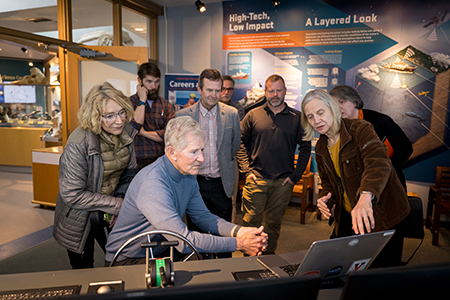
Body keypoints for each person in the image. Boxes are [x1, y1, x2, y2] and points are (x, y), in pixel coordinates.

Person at [104, 116, 268, 264]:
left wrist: (239, 231)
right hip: (127, 259)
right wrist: (240, 244)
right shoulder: (153, 183)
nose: (202, 158)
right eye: (194, 152)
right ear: (172, 152)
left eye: (202, 150)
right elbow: (183, 241)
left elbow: (203, 217)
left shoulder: (187, 173)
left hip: (159, 249)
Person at [301, 89, 410, 268]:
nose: (316, 120)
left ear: (333, 109)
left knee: (381, 273)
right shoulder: (320, 146)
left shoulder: (360, 128)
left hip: (383, 214)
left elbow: (378, 162)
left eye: (320, 113)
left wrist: (366, 195)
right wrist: (325, 197)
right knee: (340, 267)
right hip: (348, 215)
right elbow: (329, 182)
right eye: (310, 116)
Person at [53, 82, 137, 269]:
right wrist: (116, 205)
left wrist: (118, 199)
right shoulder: (78, 143)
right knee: (84, 270)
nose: (119, 120)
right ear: (95, 116)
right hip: (79, 215)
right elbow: (72, 194)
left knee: (122, 261)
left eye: (122, 112)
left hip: (110, 210)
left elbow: (129, 174)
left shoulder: (127, 132)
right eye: (110, 116)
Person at [237, 74, 311, 254]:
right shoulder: (252, 115)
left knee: (273, 224)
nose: (275, 95)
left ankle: (268, 257)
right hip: (256, 179)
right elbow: (239, 144)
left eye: (279, 90)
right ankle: (248, 258)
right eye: (271, 91)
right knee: (250, 224)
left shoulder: (297, 117)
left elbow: (305, 148)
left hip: (283, 183)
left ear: (285, 91)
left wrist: (295, 176)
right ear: (266, 92)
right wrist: (247, 171)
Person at [176, 69, 241, 255]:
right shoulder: (182, 117)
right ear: (199, 89)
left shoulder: (231, 114)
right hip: (194, 183)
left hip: (222, 183)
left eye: (217, 90)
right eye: (209, 90)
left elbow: (235, 146)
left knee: (224, 233)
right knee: (197, 235)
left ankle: (224, 274)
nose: (214, 95)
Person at [329, 85, 412, 190]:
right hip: (356, 186)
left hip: (388, 184)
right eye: (334, 104)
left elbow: (406, 148)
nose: (338, 107)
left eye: (342, 102)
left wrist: (386, 166)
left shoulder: (380, 121)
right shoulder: (338, 126)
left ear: (355, 102)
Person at [130, 62, 175, 170]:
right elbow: (134, 127)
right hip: (136, 163)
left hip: (160, 162)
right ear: (140, 81)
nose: (154, 86)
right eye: (149, 82)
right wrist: (142, 101)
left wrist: (144, 133)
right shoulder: (129, 103)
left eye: (156, 81)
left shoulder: (166, 104)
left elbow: (169, 135)